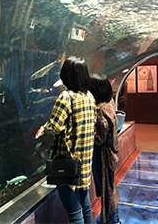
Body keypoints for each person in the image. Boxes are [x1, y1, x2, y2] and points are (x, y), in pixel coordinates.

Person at [41, 57, 96, 224]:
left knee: (74, 213)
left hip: (68, 165)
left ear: (66, 75)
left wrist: (46, 127)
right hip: (84, 163)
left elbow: (54, 128)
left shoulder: (66, 97)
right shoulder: (89, 97)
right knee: (85, 206)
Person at [89, 74, 121, 224]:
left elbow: (100, 138)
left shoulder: (101, 110)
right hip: (111, 152)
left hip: (103, 155)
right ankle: (113, 219)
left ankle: (111, 221)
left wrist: (88, 133)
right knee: (110, 188)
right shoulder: (110, 102)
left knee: (107, 191)